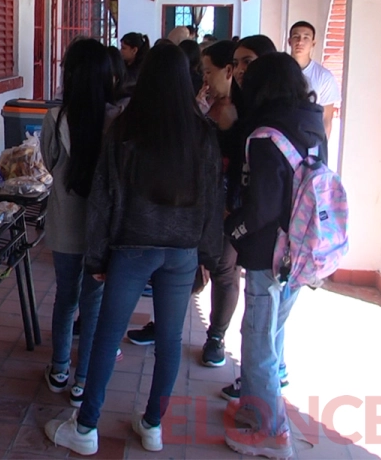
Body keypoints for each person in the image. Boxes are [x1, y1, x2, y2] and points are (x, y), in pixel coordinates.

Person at [44, 44, 222, 455]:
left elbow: (105, 198)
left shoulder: (125, 129)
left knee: (107, 334)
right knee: (171, 340)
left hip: (131, 248)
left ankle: (86, 428)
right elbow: (213, 199)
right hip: (182, 252)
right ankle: (153, 425)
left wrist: (98, 256)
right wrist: (207, 258)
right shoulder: (203, 133)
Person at [222, 52, 327, 459]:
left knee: (257, 339)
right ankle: (255, 406)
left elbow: (262, 206)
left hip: (270, 252)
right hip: (302, 247)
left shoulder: (266, 135)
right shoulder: (309, 121)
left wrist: (233, 230)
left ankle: (272, 432)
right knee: (274, 333)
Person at [41, 39, 129, 408]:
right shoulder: (117, 119)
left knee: (66, 298)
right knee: (94, 304)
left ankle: (59, 368)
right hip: (102, 230)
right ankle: (83, 380)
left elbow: (49, 161)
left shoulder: (55, 117)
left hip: (65, 223)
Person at [195, 40, 244, 368]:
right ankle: (166, 324)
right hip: (204, 201)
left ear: (228, 71)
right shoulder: (213, 105)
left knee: (225, 268)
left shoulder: (234, 110)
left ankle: (216, 336)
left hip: (227, 206)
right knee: (193, 261)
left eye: (208, 72)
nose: (205, 80)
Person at [288, 21, 341, 140]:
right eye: (296, 37)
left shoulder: (324, 77)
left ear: (313, 43)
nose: (300, 42)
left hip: (308, 140)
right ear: (289, 41)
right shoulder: (277, 71)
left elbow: (326, 119)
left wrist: (321, 151)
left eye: (306, 37)